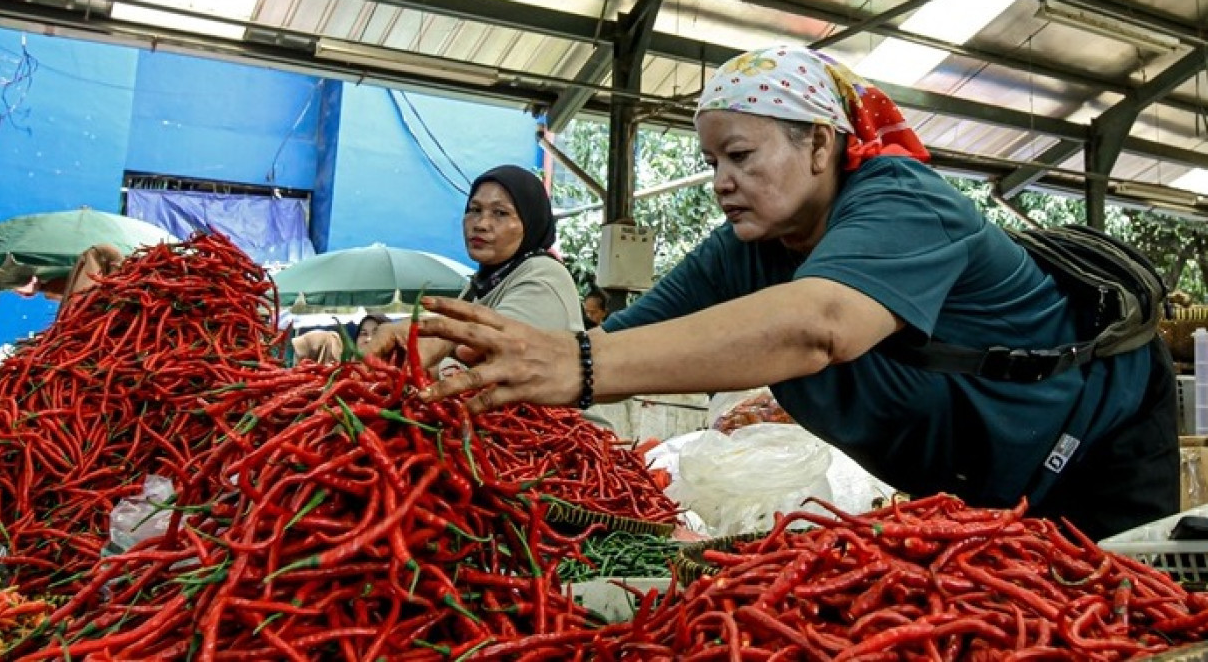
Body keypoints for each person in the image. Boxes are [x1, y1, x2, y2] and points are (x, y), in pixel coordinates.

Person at [403, 45, 1177, 541]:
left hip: (1095, 440)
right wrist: (472, 353)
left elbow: (820, 326)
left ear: (818, 142)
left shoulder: (902, 199)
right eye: (711, 162)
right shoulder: (745, 249)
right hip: (985, 484)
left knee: (1126, 618)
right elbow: (621, 347)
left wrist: (570, 359)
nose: (719, 183)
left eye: (739, 155)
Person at [368, 164, 583, 371]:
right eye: (474, 209)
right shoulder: (481, 284)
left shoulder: (543, 275)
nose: (480, 224)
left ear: (531, 222)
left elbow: (489, 351)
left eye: (500, 213)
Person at [291, 314, 391, 365]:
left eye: (376, 333)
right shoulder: (345, 371)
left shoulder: (395, 375)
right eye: (363, 334)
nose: (368, 339)